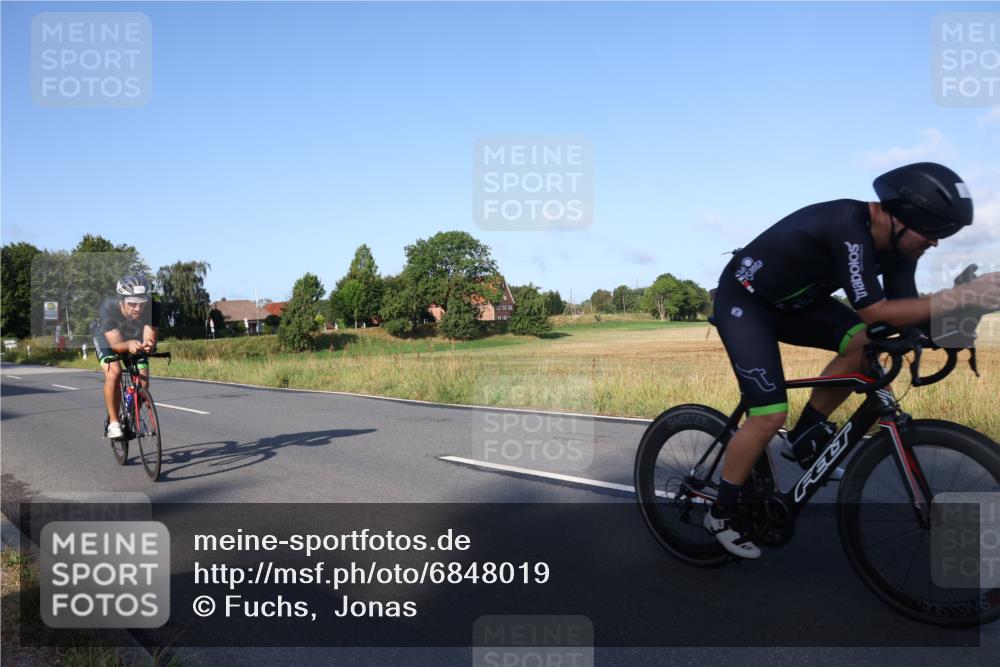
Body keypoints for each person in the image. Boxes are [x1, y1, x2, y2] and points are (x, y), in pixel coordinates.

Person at [706, 162, 1000, 559]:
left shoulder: (898, 247)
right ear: (900, 218)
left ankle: (805, 436)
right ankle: (722, 512)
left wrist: (948, 326)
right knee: (769, 413)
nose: (935, 244)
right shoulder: (847, 227)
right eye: (932, 233)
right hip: (745, 302)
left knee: (865, 344)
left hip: (796, 304)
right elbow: (877, 312)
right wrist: (961, 297)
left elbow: (903, 313)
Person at [93, 275, 161, 439]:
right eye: (132, 304)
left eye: (142, 304)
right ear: (121, 300)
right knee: (114, 373)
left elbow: (149, 337)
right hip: (107, 338)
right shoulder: (108, 308)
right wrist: (129, 345)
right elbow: (116, 345)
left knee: (143, 382)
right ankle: (114, 423)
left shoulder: (154, 307)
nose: (138, 308)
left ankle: (131, 415)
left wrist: (148, 345)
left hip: (133, 337)